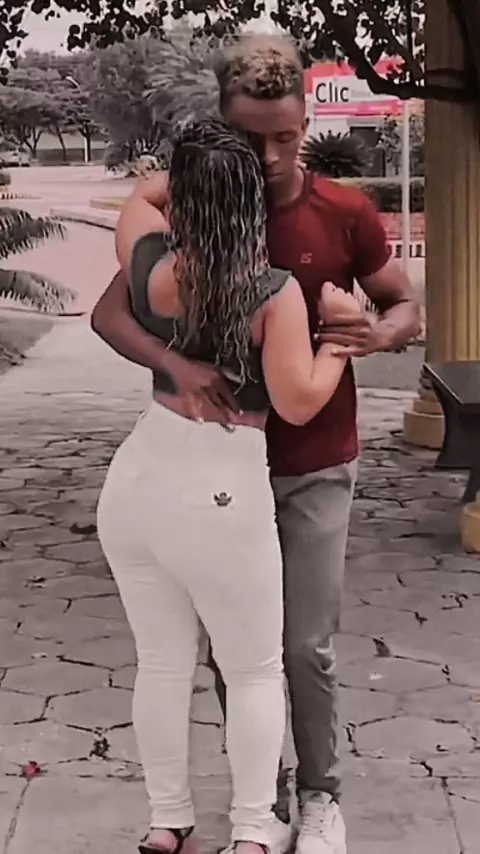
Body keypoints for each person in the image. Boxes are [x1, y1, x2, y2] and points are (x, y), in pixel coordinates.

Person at [91, 36, 420, 854]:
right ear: (225, 131)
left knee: (297, 649)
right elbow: (109, 315)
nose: (271, 156)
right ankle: (259, 803)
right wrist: (181, 363)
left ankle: (310, 796)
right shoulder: (221, 230)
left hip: (305, 465)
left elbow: (403, 307)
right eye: (250, 139)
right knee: (238, 656)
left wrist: (371, 333)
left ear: (305, 123)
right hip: (227, 476)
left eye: (286, 137)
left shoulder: (337, 214)